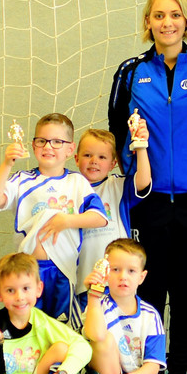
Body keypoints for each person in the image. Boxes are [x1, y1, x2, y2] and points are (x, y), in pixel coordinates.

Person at [107, 0, 187, 374]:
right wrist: (138, 170)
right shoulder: (130, 72)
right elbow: (117, 126)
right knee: (149, 293)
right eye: (159, 15)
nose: (167, 22)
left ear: (186, 21)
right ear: (148, 22)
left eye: (175, 15)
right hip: (149, 201)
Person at [0, 113, 108, 328]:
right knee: (29, 324)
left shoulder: (77, 182)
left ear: (70, 149)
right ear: (33, 145)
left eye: (57, 141)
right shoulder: (22, 180)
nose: (48, 146)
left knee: (61, 327)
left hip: (63, 269)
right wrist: (7, 164)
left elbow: (99, 218)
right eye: (42, 141)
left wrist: (67, 221)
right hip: (28, 271)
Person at [81, 239, 187, 374]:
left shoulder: (151, 315)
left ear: (141, 277)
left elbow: (152, 367)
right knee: (103, 340)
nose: (123, 276)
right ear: (105, 273)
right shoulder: (98, 306)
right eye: (115, 269)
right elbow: (95, 335)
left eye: (131, 271)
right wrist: (93, 297)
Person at [74, 127, 151, 305]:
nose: (94, 161)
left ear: (113, 163)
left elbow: (143, 181)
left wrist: (141, 146)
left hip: (119, 281)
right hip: (85, 281)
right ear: (76, 159)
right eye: (87, 155)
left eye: (102, 157)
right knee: (90, 322)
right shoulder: (70, 189)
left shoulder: (117, 186)